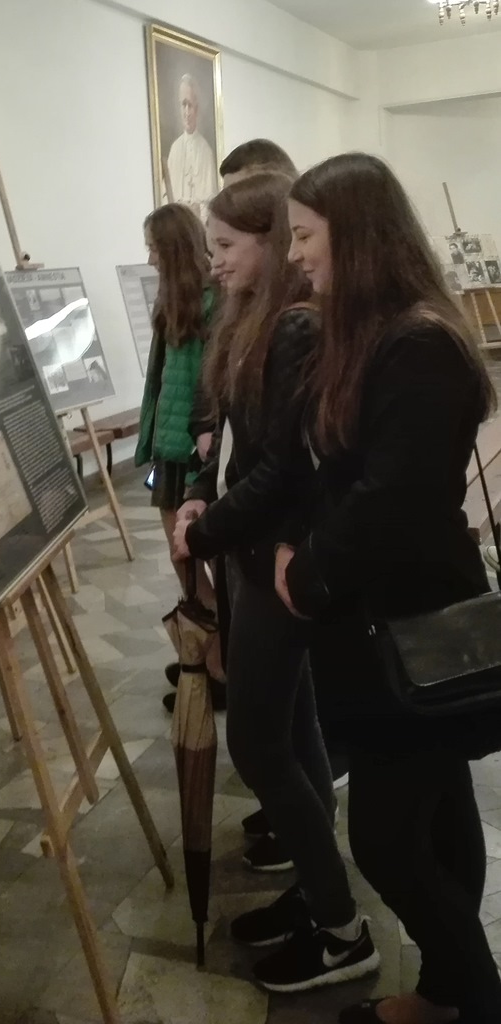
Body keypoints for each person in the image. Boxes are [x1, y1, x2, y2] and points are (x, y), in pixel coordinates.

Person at [275, 152, 501, 1024]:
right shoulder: (380, 332)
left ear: (359, 235)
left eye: (306, 235)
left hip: (411, 619)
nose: (296, 253)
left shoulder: (419, 342)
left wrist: (306, 573)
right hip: (386, 617)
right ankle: (447, 995)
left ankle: (476, 997)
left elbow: (390, 500)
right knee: (439, 814)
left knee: (383, 838)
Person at [172, 172, 379, 994]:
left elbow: (284, 473)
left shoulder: (295, 326)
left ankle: (342, 931)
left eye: (227, 246)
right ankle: (316, 892)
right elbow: (229, 438)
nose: (215, 263)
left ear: (268, 243)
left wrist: (207, 529)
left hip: (276, 560)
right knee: (293, 731)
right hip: (250, 553)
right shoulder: (248, 319)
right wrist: (199, 492)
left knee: (260, 743)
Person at [135, 203, 225, 707]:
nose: (149, 258)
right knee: (184, 559)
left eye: (153, 248)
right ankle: (209, 653)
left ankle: (220, 664)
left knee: (199, 556)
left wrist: (201, 441)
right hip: (171, 450)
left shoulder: (214, 302)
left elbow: (211, 381)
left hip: (194, 450)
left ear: (172, 249)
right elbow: (163, 381)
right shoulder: (176, 301)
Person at [166, 74, 218, 214]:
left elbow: (212, 204)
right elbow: (165, 199)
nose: (187, 112)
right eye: (184, 105)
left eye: (190, 106)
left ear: (197, 109)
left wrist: (197, 210)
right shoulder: (175, 149)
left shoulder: (206, 151)